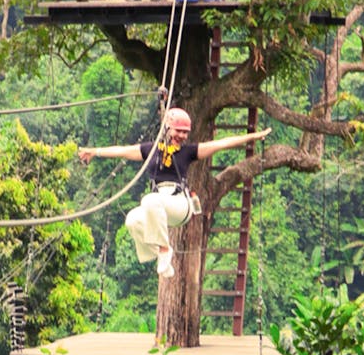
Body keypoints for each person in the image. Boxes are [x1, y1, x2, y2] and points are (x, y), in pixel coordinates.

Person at [78, 108, 270, 279]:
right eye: (178, 131)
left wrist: (253, 136)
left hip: (180, 204)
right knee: (132, 220)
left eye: (185, 132)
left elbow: (222, 143)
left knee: (149, 201)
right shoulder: (151, 150)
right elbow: (122, 151)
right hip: (159, 205)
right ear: (167, 128)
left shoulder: (188, 152)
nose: (182, 136)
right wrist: (94, 151)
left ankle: (165, 248)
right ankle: (159, 253)